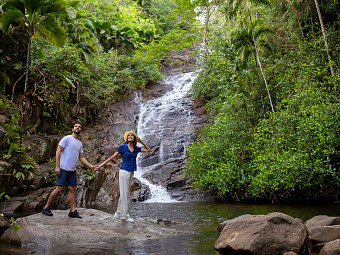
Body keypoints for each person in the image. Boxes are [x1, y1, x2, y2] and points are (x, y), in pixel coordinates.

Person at [42, 121, 96, 218]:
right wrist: (57, 166)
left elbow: (82, 158)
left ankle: (72, 211)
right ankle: (46, 207)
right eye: (76, 126)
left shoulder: (79, 143)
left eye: (79, 127)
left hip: (72, 170)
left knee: (72, 189)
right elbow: (58, 150)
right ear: (72, 129)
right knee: (60, 188)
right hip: (63, 168)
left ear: (81, 130)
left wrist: (91, 166)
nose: (77, 128)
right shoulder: (67, 138)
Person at [97, 131, 152, 223]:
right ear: (126, 138)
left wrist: (141, 142)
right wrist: (100, 165)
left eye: (132, 136)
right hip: (124, 171)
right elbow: (112, 157)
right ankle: (125, 216)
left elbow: (149, 150)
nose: (130, 136)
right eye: (128, 136)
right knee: (124, 193)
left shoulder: (136, 148)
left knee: (125, 192)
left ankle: (118, 213)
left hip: (131, 172)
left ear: (134, 138)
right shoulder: (122, 147)